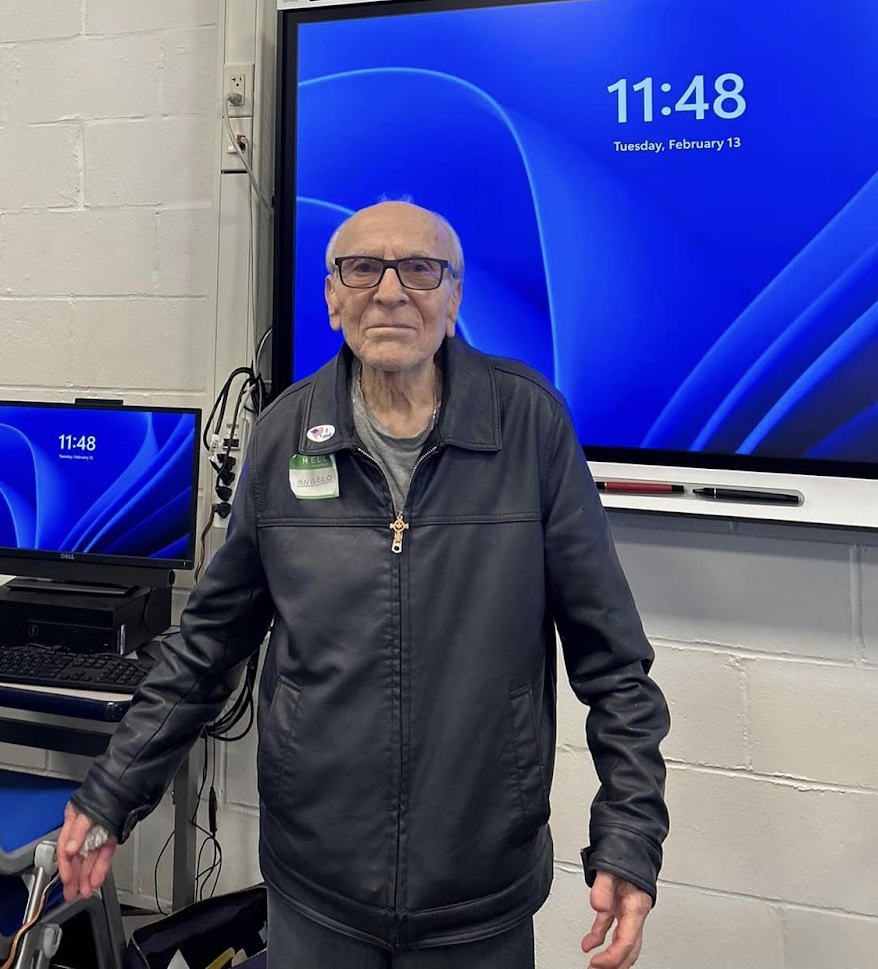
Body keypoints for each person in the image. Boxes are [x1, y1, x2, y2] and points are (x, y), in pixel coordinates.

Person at [59, 200, 669, 968]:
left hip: (479, 891)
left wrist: (628, 838)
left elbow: (615, 667)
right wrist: (113, 792)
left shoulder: (530, 426)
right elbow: (209, 643)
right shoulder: (284, 432)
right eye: (362, 269)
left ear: (453, 296)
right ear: (332, 297)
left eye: (419, 269)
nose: (389, 291)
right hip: (317, 887)